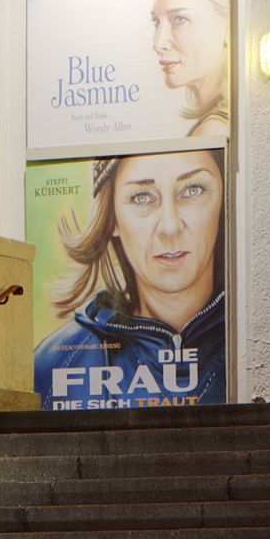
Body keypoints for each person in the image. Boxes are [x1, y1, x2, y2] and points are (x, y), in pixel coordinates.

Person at [33, 147, 229, 410]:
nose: (170, 227)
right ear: (111, 217)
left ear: (224, 201)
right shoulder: (54, 363)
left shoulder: (255, 337)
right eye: (141, 197)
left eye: (193, 190)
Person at [146, 0, 233, 141]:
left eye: (179, 20)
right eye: (156, 22)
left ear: (228, 22)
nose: (159, 44)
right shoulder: (216, 123)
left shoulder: (213, 132)